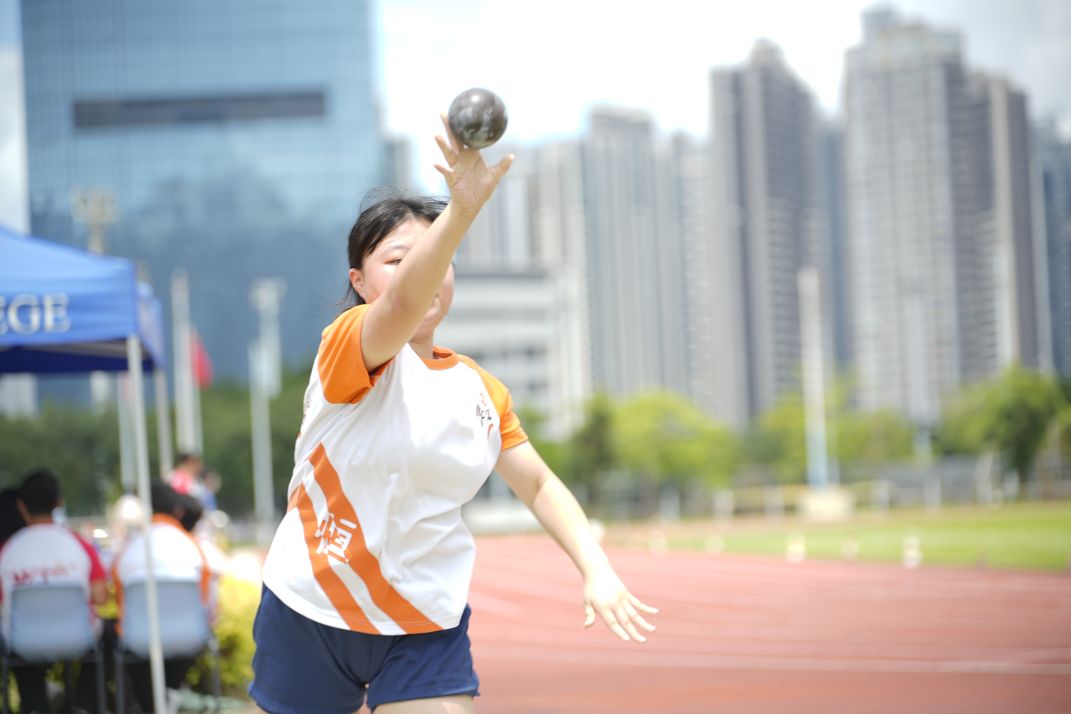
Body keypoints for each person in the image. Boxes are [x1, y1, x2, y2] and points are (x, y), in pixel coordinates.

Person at [248, 115, 657, 714]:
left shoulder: (481, 391)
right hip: (313, 605)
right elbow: (402, 305)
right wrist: (460, 213)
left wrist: (596, 568)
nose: (426, 274)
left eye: (439, 260)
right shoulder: (349, 344)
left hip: (424, 620)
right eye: (399, 260)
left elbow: (539, 484)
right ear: (359, 281)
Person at [0, 470, 108, 714]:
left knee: (13, 634)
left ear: (21, 506)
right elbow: (101, 597)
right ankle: (83, 706)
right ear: (59, 503)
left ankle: (35, 705)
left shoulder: (8, 551)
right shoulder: (80, 545)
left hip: (23, 642)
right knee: (109, 636)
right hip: (79, 639)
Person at [112, 483, 213, 713]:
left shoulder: (128, 550)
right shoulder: (194, 548)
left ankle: (152, 705)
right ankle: (171, 694)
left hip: (138, 639)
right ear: (178, 511)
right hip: (188, 637)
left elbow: (119, 600)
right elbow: (207, 602)